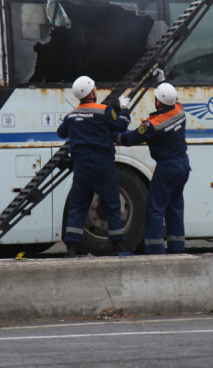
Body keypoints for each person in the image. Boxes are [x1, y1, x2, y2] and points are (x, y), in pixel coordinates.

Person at [57, 76, 132, 257]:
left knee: (78, 207)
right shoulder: (105, 110)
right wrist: (123, 108)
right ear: (92, 92)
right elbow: (121, 125)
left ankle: (71, 249)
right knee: (112, 205)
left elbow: (61, 133)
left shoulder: (70, 116)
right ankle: (117, 248)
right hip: (103, 167)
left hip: (82, 169)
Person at [115, 83, 190, 254]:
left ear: (158, 101)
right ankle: (177, 251)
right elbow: (172, 97)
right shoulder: (179, 109)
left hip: (168, 168)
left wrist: (123, 108)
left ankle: (155, 253)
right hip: (183, 165)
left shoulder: (152, 124)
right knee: (175, 210)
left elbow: (130, 139)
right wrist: (161, 82)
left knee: (154, 211)